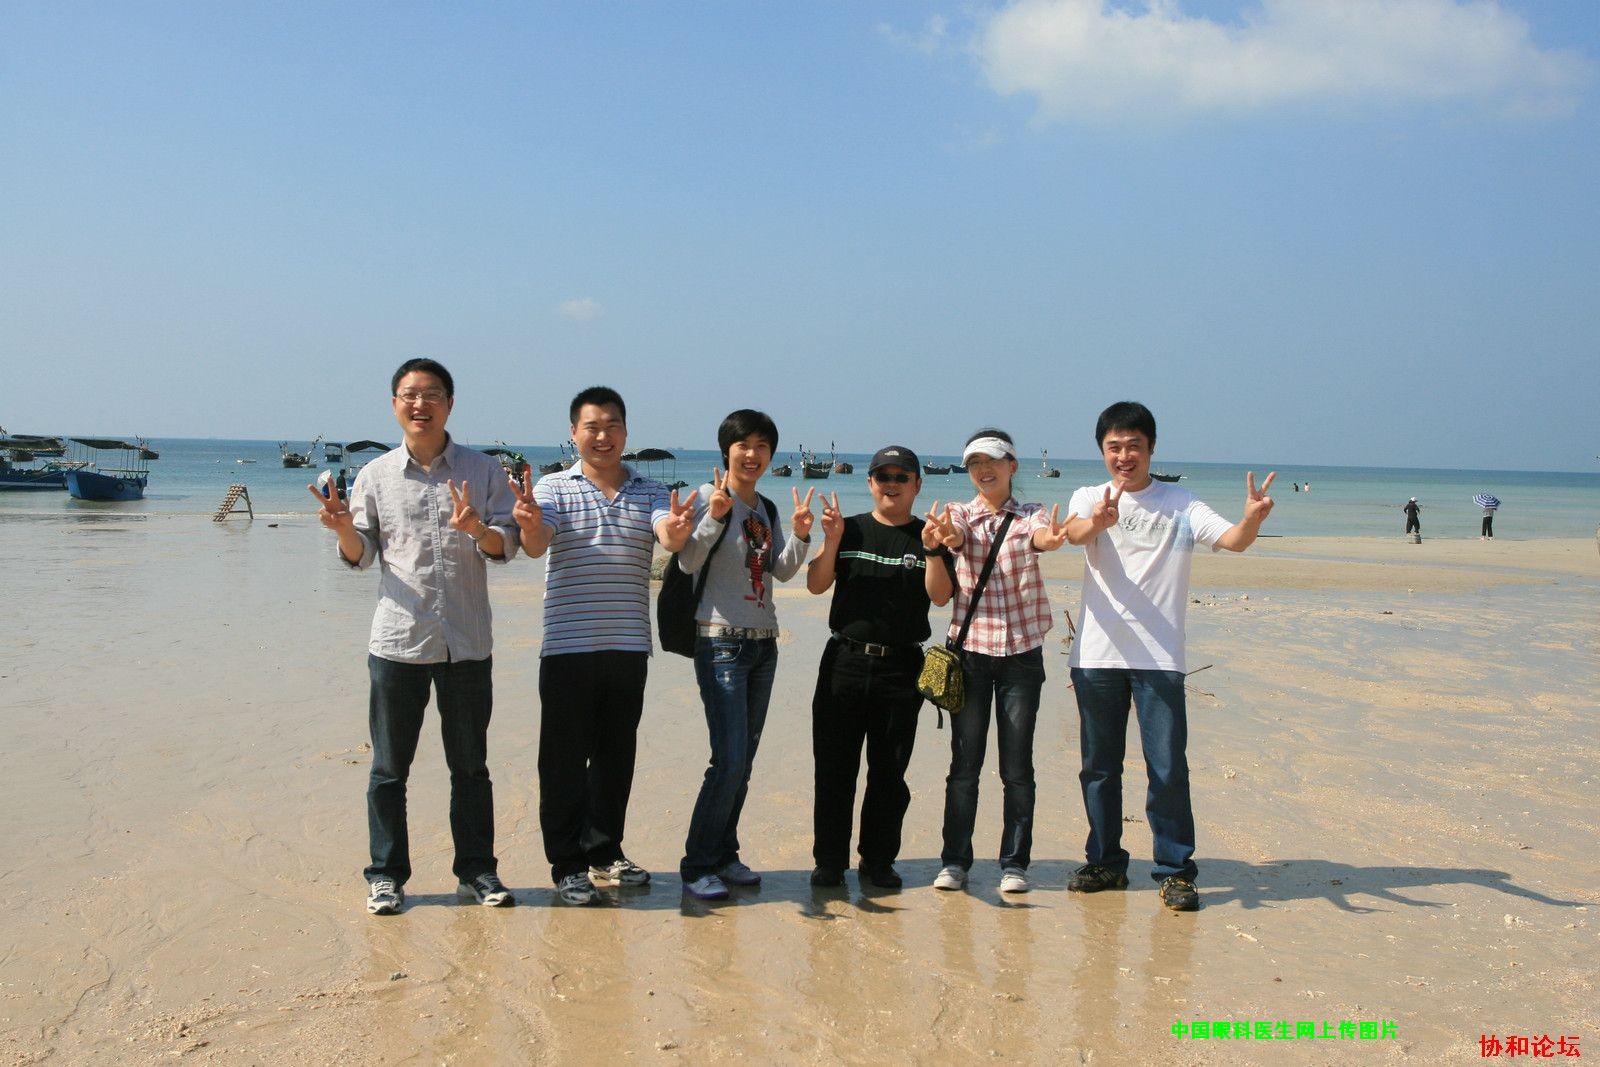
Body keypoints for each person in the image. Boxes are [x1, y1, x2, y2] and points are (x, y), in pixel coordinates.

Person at [310, 358, 519, 915]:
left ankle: (477, 870)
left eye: (431, 394)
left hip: (467, 642)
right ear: (394, 404)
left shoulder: (483, 470)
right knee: (388, 770)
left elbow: (506, 545)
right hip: (398, 642)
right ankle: (386, 876)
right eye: (409, 394)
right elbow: (361, 555)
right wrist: (342, 529)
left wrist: (478, 529)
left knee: (470, 768)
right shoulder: (375, 475)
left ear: (450, 403)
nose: (420, 404)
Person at [1063, 401, 1276, 913]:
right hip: (1097, 654)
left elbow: (1233, 541)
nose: (1124, 455)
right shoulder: (1089, 496)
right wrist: (1099, 522)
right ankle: (1106, 862)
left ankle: (1175, 871)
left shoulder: (1181, 502)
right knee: (1099, 768)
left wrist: (1250, 520)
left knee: (1167, 768)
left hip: (1159, 657)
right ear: (1102, 451)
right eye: (1114, 447)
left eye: (1134, 445)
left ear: (1151, 447)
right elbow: (1071, 534)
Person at [510, 386, 698, 905]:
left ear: (626, 432)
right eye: (592, 426)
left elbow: (669, 537)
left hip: (628, 646)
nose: (602, 435)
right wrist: (528, 524)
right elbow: (536, 544)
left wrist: (679, 528)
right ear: (574, 433)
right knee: (563, 761)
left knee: (617, 758)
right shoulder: (553, 487)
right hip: (566, 646)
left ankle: (604, 851)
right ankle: (567, 863)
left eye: (612, 425)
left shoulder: (650, 490)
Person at [921, 428, 1072, 895]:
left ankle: (1014, 864)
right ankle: (954, 862)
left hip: (1021, 656)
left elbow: (1040, 536)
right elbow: (956, 535)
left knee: (1017, 768)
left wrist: (1052, 538)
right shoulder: (959, 514)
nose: (983, 470)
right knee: (964, 765)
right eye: (974, 464)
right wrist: (945, 536)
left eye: (992, 461)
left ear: (1012, 465)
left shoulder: (1031, 514)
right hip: (970, 655)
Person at [675, 410, 814, 900]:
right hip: (720, 642)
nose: (752, 454)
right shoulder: (707, 498)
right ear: (726, 450)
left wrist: (801, 535)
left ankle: (724, 854)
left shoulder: (766, 509)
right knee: (728, 760)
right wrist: (714, 517)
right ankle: (696, 864)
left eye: (761, 446)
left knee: (744, 762)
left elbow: (780, 571)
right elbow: (687, 561)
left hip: (763, 643)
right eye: (743, 445)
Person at [805, 446, 932, 890]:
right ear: (870, 483)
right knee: (834, 769)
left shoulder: (927, 535)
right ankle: (829, 862)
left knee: (889, 774)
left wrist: (936, 549)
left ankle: (877, 862)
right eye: (883, 476)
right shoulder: (849, 529)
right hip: (844, 661)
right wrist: (831, 539)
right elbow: (815, 584)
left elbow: (941, 596)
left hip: (901, 668)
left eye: (901, 477)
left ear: (917, 484)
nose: (891, 484)